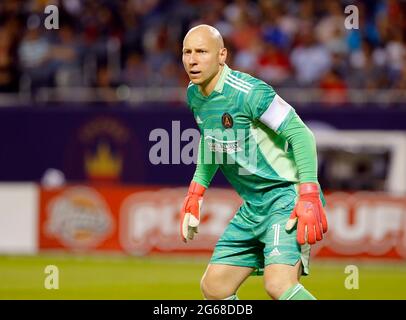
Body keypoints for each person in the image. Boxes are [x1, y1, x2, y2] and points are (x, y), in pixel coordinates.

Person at [179, 24, 328, 300]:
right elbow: (212, 142)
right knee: (214, 288)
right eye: (187, 52)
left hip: (287, 196)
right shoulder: (194, 95)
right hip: (253, 206)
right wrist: (196, 191)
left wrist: (308, 193)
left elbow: (301, 134)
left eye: (201, 51)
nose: (192, 59)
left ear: (222, 55)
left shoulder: (249, 92)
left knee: (278, 285)